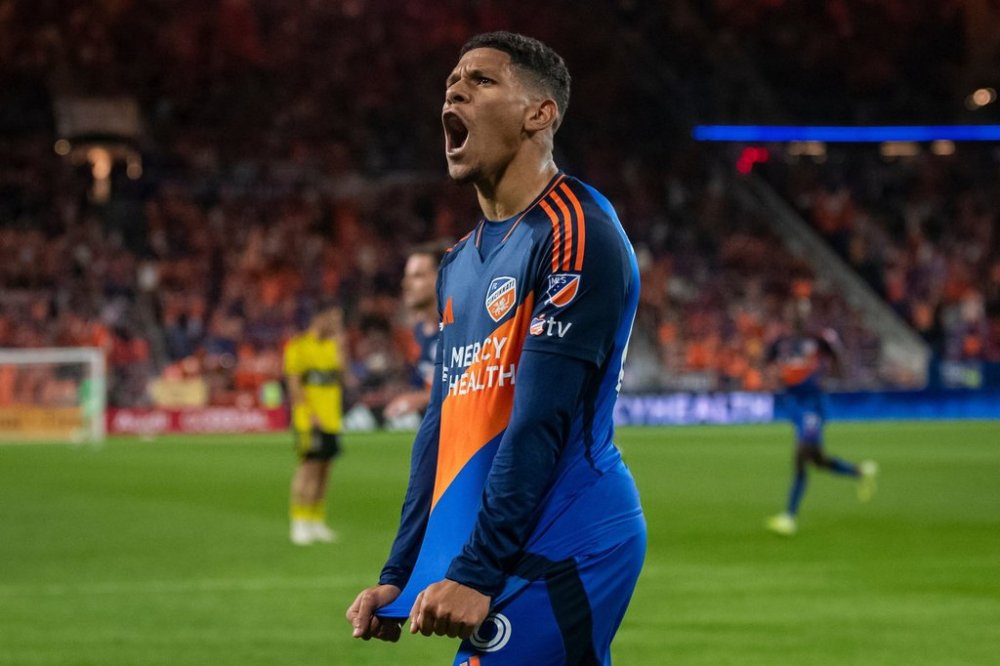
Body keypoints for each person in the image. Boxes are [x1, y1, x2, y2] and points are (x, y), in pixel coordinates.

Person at [346, 31, 646, 664]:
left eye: (481, 80)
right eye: (452, 81)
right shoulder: (458, 263)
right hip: (507, 543)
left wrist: (478, 571)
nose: (454, 89)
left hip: (570, 533)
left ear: (540, 114)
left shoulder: (575, 230)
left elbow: (541, 417)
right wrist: (402, 572)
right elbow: (442, 426)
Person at [765, 299, 878, 536]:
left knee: (801, 457)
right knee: (818, 461)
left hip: (813, 407)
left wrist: (828, 367)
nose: (798, 318)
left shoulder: (819, 341)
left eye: (802, 313)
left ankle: (789, 517)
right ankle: (859, 472)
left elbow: (840, 359)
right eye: (794, 312)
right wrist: (776, 375)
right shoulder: (782, 343)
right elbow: (769, 364)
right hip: (795, 407)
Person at [283, 305, 348, 545]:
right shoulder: (298, 346)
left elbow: (343, 375)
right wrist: (309, 413)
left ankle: (316, 520)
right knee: (307, 468)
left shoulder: (333, 345)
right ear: (320, 318)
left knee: (325, 469)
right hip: (309, 419)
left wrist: (341, 346)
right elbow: (294, 384)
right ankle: (299, 521)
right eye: (333, 319)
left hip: (331, 418)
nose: (336, 325)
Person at [384, 242, 448, 424]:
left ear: (442, 277)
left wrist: (419, 399)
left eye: (417, 276)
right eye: (407, 276)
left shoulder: (461, 330)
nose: (406, 284)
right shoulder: (417, 334)